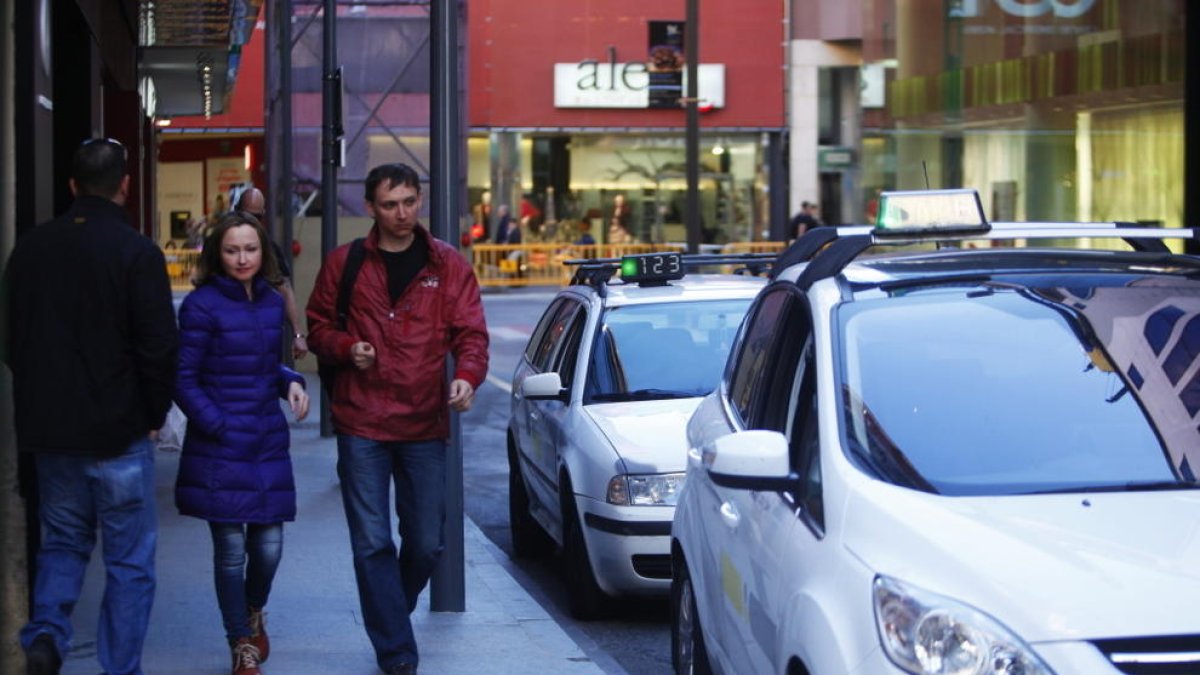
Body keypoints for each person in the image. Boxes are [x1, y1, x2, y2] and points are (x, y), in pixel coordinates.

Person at [306, 162, 489, 675]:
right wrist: (346, 347)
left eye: (409, 202)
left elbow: (471, 333)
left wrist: (468, 377)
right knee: (371, 542)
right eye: (390, 204)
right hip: (361, 422)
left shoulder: (446, 264)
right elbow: (317, 326)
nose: (402, 213)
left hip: (424, 422)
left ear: (420, 201)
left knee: (427, 542)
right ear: (370, 207)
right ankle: (397, 653)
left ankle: (390, 614)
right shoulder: (345, 264)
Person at [5, 137, 179, 675]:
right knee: (128, 563)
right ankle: (119, 668)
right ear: (125, 186)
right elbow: (158, 347)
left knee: (61, 543)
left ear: (73, 186)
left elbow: (11, 341)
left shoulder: (30, 250)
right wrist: (153, 414)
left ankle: (48, 636)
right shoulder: (137, 252)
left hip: (52, 434)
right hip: (120, 432)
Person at [174, 211, 310, 675]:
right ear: (218, 254)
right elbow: (183, 378)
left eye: (250, 249)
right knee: (231, 551)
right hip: (221, 445)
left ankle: (252, 612)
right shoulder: (201, 305)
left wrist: (289, 381)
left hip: (266, 440)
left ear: (263, 252)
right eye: (232, 250)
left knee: (269, 547)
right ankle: (241, 643)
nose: (242, 258)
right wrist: (217, 423)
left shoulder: (272, 302)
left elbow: (264, 367)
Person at [235, 187, 308, 361]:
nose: (242, 260)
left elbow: (284, 288)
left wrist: (298, 334)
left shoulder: (269, 249)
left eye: (256, 217)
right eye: (231, 251)